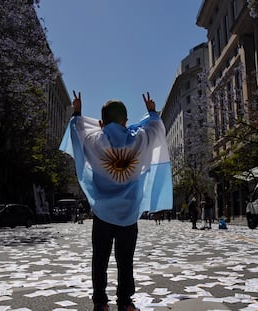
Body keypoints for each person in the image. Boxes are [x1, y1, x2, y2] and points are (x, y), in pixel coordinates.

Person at [59, 91, 172, 311]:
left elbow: (78, 131)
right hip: (128, 214)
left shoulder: (94, 141)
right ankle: (125, 302)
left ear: (101, 123)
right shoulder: (139, 138)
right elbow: (156, 128)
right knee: (125, 260)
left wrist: (78, 112)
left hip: (102, 213)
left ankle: (100, 302)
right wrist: (151, 111)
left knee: (99, 260)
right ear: (126, 121)